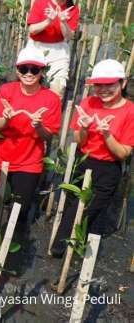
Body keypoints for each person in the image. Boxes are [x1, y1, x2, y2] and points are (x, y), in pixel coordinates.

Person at [51, 59, 133, 257]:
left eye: (109, 85)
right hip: (83, 160)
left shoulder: (130, 111)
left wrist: (106, 134)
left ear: (122, 83)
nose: (103, 89)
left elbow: (123, 153)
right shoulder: (88, 102)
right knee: (74, 204)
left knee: (91, 209)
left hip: (108, 168)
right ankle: (74, 252)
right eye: (99, 85)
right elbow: (79, 140)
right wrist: (85, 128)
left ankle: (65, 248)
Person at [0, 47, 61, 242]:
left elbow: (48, 136)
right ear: (17, 70)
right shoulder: (6, 90)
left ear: (42, 72)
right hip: (0, 159)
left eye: (34, 69)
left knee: (20, 209)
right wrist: (5, 118)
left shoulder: (51, 99)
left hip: (30, 162)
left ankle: (14, 243)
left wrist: (38, 125)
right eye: (24, 69)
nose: (29, 74)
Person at [26, 0, 80, 97]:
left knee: (59, 86)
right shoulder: (40, 3)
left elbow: (68, 36)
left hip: (59, 49)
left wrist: (62, 21)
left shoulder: (73, 9)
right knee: (30, 82)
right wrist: (48, 21)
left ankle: (52, 113)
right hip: (36, 46)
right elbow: (32, 30)